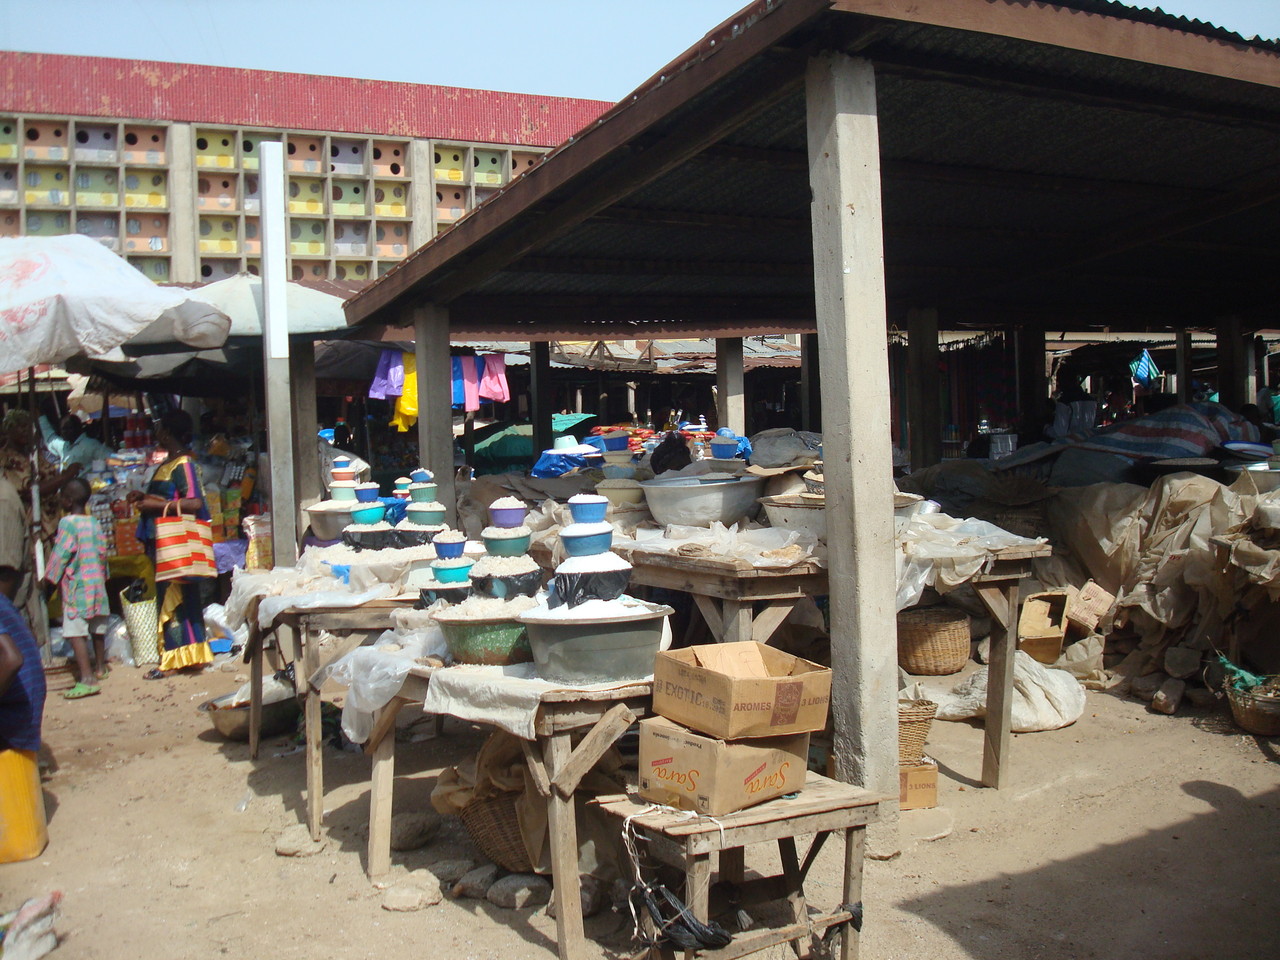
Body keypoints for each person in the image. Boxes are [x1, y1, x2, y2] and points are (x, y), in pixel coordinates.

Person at [126, 411, 214, 679]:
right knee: (174, 597)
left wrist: (156, 505)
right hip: (160, 539)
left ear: (166, 433)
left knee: (175, 599)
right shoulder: (170, 462)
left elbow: (195, 503)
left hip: (173, 541)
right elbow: (172, 496)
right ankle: (186, 654)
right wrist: (145, 497)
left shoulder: (184, 463)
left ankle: (177, 658)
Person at [44, 478, 110, 699]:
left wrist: (48, 581)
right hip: (97, 584)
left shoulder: (67, 523)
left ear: (68, 500)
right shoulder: (94, 522)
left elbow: (60, 554)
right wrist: (104, 577)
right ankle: (100, 668)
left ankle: (87, 678)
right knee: (97, 627)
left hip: (77, 586)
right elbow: (103, 553)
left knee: (75, 632)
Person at [0, 408, 76, 556]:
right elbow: (30, 491)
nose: (25, 430)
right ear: (9, 430)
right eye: (20, 426)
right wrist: (64, 477)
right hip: (30, 524)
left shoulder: (33, 454)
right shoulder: (8, 459)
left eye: (28, 426)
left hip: (51, 521)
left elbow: (49, 474)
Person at [39, 412, 112, 474]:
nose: (63, 432)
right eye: (62, 429)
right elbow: (50, 437)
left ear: (78, 428)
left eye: (67, 428)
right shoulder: (64, 446)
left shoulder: (90, 445)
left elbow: (110, 457)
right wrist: (40, 416)